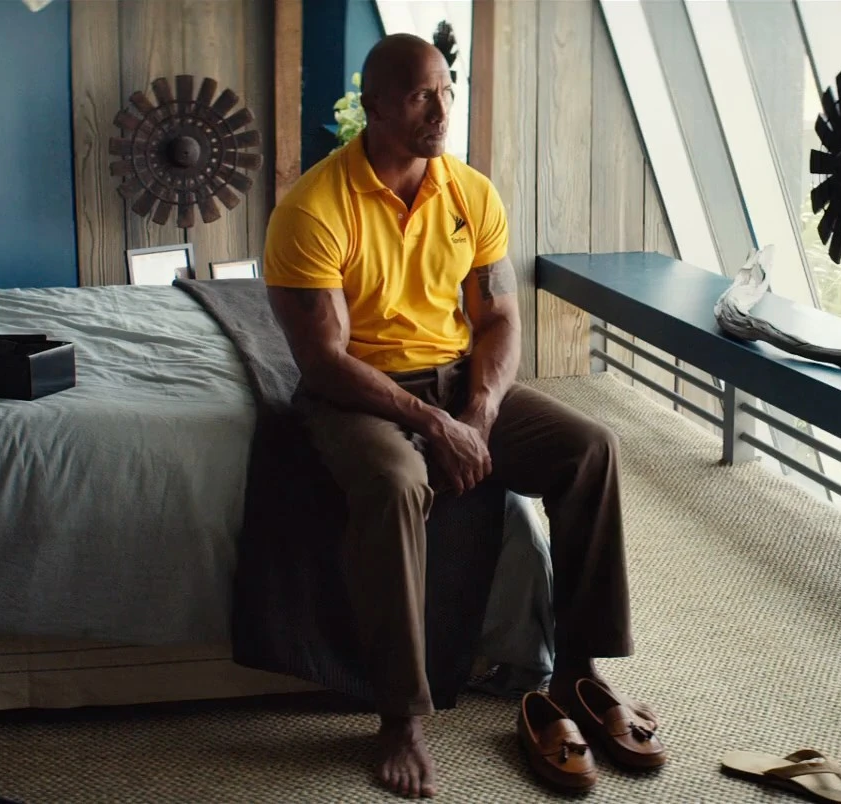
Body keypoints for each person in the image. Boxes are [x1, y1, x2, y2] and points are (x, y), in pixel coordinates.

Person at [261, 34, 661, 798]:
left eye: (447, 90)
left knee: (590, 448)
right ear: (374, 107)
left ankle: (577, 670)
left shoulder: (470, 192)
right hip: (358, 391)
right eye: (421, 96)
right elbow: (323, 362)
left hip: (454, 379)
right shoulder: (313, 208)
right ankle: (400, 715)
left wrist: (478, 409)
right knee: (395, 483)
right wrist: (433, 424)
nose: (442, 110)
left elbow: (500, 318)